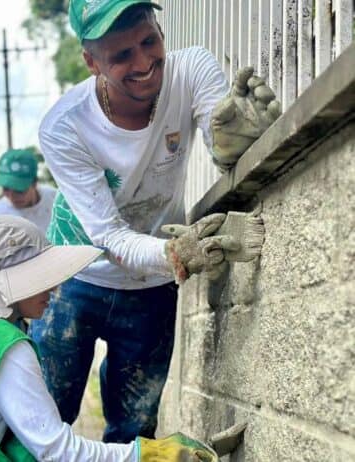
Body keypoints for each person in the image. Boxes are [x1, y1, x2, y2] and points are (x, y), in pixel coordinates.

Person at [30, 0, 280, 444]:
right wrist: (171, 253)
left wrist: (236, 138)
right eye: (121, 55)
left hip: (150, 290)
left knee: (134, 430)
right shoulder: (64, 127)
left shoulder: (192, 69)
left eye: (149, 41)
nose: (144, 63)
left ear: (160, 30)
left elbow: (220, 142)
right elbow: (106, 235)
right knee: (43, 423)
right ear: (92, 62)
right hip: (73, 280)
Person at [0, 216, 219, 462]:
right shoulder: (4, 344)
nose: (55, 286)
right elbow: (56, 450)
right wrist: (149, 453)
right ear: (14, 279)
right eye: (41, 274)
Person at [0, 148, 57, 234]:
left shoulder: (54, 200)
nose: (12, 196)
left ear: (34, 183)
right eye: (6, 189)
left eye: (19, 190)